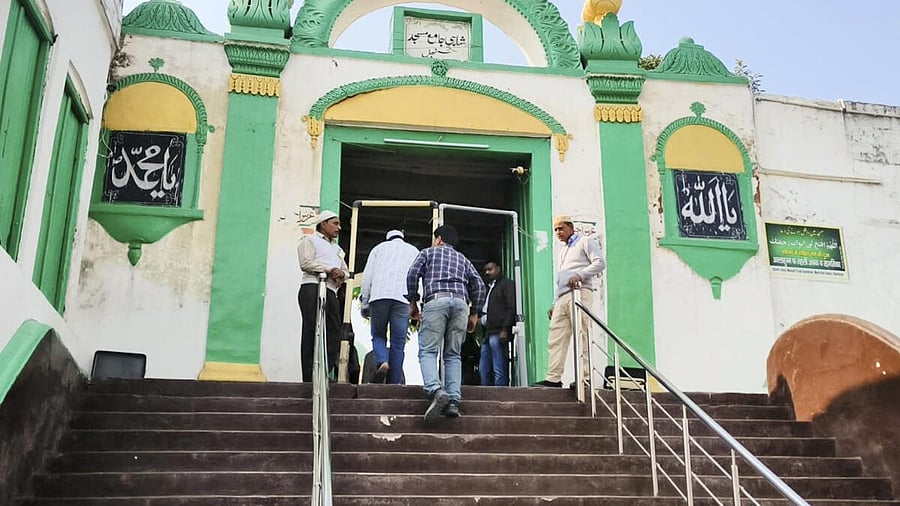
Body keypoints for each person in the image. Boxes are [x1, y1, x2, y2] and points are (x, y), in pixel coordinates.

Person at [406, 225, 485, 422]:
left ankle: (435, 390)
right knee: (453, 354)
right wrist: (474, 313)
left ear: (439, 239)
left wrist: (413, 301)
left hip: (436, 301)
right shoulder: (463, 259)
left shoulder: (427, 253)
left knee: (428, 351)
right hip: (460, 304)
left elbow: (412, 274)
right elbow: (479, 285)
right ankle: (453, 401)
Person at [534, 214, 605, 388]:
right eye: (556, 229)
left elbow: (600, 263)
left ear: (571, 227)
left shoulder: (585, 241)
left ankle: (585, 378)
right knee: (556, 337)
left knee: (582, 335)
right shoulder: (563, 251)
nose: (558, 232)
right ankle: (553, 378)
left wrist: (580, 275)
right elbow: (560, 279)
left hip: (580, 292)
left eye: (561, 228)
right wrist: (555, 301)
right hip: (563, 297)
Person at [359, 229, 419, 384]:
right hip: (403, 300)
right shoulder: (413, 250)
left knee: (378, 335)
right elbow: (418, 278)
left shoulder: (378, 249)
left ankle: (382, 361)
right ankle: (394, 382)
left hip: (379, 297)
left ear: (388, 237)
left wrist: (365, 302)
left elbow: (367, 277)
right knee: (398, 343)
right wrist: (416, 304)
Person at [297, 210, 349, 382]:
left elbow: (346, 271)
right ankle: (308, 374)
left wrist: (341, 274)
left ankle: (324, 371)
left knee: (334, 330)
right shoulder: (309, 240)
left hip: (331, 290)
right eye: (335, 223)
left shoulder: (338, 249)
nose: (339, 228)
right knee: (311, 329)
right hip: (312, 287)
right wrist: (329, 269)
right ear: (323, 224)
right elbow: (305, 263)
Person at [479, 261, 517, 387]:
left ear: (498, 269)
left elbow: (511, 307)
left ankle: (501, 395)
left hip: (498, 331)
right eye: (486, 270)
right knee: (483, 369)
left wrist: (505, 329)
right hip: (488, 332)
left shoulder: (506, 284)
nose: (487, 272)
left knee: (499, 368)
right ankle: (486, 395)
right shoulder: (489, 287)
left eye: (490, 269)